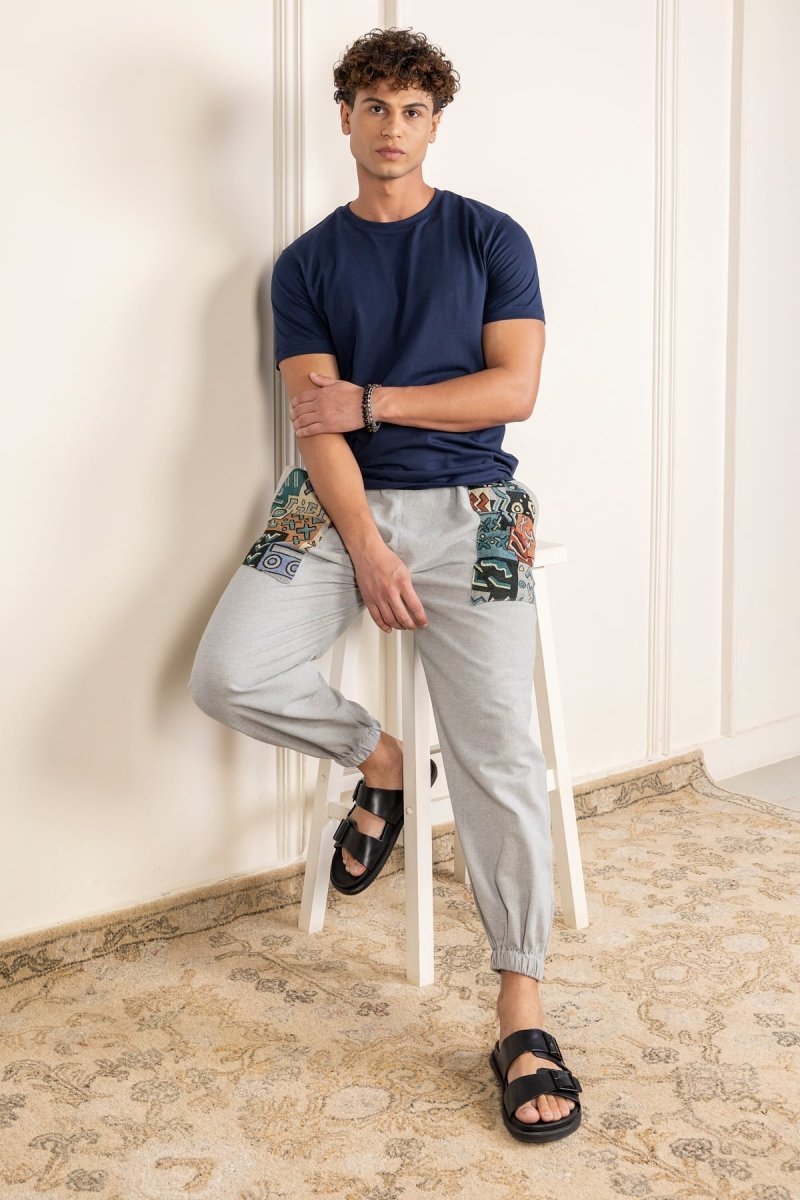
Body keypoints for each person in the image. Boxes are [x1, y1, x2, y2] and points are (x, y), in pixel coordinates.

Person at [189, 26, 583, 1142]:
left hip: (481, 507)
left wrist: (380, 402)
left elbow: (512, 391)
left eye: (413, 109)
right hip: (329, 504)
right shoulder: (306, 264)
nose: (393, 127)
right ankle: (381, 759)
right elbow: (313, 426)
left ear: (435, 123)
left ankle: (519, 1012)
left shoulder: (490, 237)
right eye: (375, 107)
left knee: (500, 750)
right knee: (226, 671)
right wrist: (364, 546)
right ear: (346, 119)